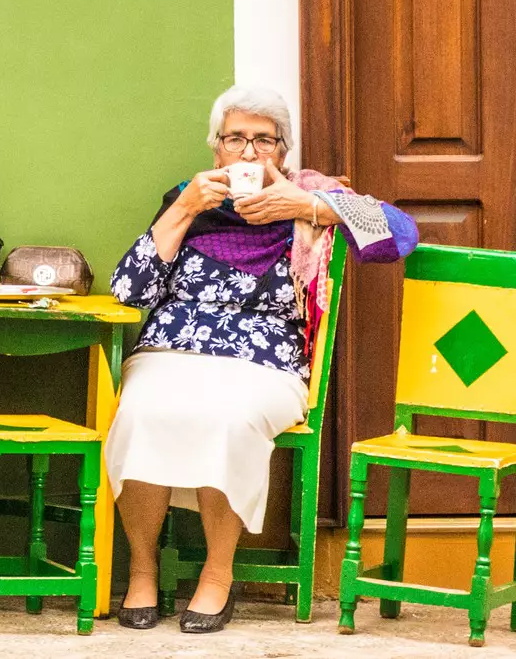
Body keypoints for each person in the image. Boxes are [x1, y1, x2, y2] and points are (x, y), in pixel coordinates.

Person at [106, 85, 418, 633]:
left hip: (263, 361)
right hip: (171, 349)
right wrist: (183, 208)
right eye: (236, 140)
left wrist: (313, 207)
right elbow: (128, 291)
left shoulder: (310, 200)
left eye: (264, 141)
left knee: (228, 417)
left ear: (283, 151)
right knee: (139, 409)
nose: (249, 154)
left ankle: (217, 577)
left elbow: (401, 236)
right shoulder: (189, 198)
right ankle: (142, 568)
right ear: (215, 149)